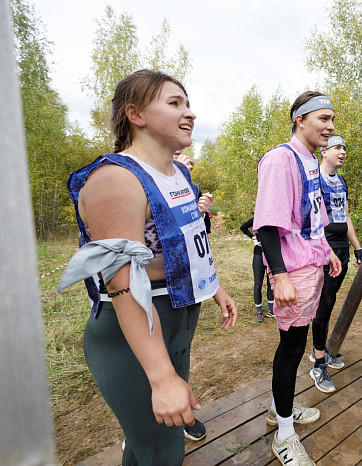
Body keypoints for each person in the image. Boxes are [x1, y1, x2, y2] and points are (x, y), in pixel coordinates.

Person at [56, 69, 237, 465]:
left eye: (187, 103)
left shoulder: (180, 174)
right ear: (135, 114)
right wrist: (160, 376)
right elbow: (123, 286)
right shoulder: (115, 180)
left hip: (180, 314)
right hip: (135, 326)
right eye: (174, 103)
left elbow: (189, 244)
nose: (188, 112)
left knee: (148, 448)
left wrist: (215, 287)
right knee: (163, 449)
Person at [253, 91, 342, 465]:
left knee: (295, 344)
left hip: (312, 261)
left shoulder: (308, 160)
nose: (330, 126)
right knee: (290, 349)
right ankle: (284, 435)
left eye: (332, 120)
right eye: (323, 118)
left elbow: (312, 217)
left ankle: (279, 409)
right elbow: (269, 224)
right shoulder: (280, 159)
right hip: (292, 268)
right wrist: (280, 275)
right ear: (299, 120)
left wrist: (329, 250)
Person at [309, 134, 362, 393]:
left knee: (329, 303)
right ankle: (318, 364)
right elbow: (311, 219)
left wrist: (357, 247)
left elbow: (346, 216)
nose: (343, 151)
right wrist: (325, 248)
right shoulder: (315, 179)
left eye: (344, 147)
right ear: (323, 152)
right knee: (323, 304)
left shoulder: (341, 181)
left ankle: (318, 351)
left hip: (341, 247)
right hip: (324, 248)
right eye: (337, 147)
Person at [173, 149, 214, 441]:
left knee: (181, 351)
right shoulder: (135, 179)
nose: (182, 154)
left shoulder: (193, 188)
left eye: (184, 153)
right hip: (155, 291)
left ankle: (182, 413)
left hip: (191, 283)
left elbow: (200, 234)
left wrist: (202, 212)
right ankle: (141, 426)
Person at [240, 216, 274, 322]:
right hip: (258, 254)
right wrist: (253, 237)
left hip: (271, 254)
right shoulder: (257, 217)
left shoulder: (274, 218)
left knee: (270, 283)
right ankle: (259, 311)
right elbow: (243, 227)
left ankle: (271, 310)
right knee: (258, 283)